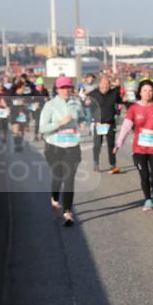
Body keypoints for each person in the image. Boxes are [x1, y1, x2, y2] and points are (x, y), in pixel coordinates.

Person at [38, 76, 88, 227]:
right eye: (63, 87)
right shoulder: (50, 105)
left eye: (68, 87)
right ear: (57, 89)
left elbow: (82, 118)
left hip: (72, 145)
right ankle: (54, 198)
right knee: (57, 176)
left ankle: (68, 212)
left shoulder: (77, 103)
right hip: (54, 146)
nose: (66, 90)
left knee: (69, 178)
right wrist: (59, 123)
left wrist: (82, 123)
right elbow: (42, 128)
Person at [116, 79, 153, 211]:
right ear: (139, 92)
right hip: (139, 149)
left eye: (150, 90)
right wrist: (119, 142)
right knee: (144, 175)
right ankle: (147, 199)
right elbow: (126, 127)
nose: (147, 93)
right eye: (145, 90)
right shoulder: (134, 108)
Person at [86, 76, 123, 173]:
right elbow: (85, 105)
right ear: (99, 84)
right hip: (98, 124)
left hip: (110, 123)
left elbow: (120, 102)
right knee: (97, 144)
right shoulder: (93, 94)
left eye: (107, 84)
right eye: (103, 84)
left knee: (111, 145)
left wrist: (119, 111)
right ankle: (96, 164)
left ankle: (113, 164)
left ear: (110, 85)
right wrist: (86, 103)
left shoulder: (114, 93)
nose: (105, 86)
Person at [8, 77, 32, 151]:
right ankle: (17, 145)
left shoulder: (25, 96)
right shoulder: (12, 94)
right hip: (14, 114)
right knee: (16, 130)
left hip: (23, 115)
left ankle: (19, 143)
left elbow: (28, 105)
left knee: (21, 131)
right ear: (19, 88)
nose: (24, 89)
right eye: (23, 88)